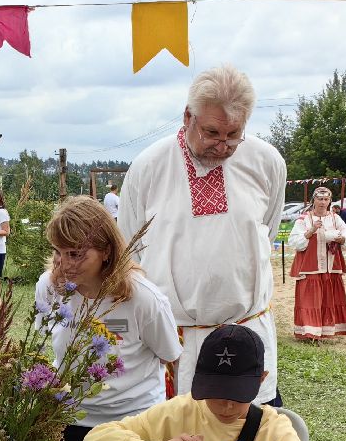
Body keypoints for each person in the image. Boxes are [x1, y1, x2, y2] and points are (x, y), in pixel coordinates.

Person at [118, 64, 287, 404]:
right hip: (174, 339)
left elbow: (265, 233)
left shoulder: (267, 162)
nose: (222, 146)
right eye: (212, 133)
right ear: (187, 117)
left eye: (233, 135)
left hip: (246, 333)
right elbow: (129, 251)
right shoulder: (149, 166)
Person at [84, 325, 333, 441]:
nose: (226, 405)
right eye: (215, 394)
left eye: (237, 396)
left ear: (261, 380)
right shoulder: (178, 411)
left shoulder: (274, 429)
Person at [36, 195, 181, 441]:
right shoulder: (49, 287)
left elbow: (170, 357)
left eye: (76, 254)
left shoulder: (143, 298)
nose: (65, 264)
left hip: (134, 426)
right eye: (58, 252)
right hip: (71, 420)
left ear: (106, 251)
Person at [287, 186, 346, 342]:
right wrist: (311, 231)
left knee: (328, 298)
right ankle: (310, 332)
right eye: (320, 199)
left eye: (326, 199)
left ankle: (324, 330)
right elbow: (295, 242)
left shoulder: (335, 218)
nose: (323, 202)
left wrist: (341, 239)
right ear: (313, 200)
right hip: (310, 267)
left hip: (331, 266)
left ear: (330, 201)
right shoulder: (304, 219)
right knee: (310, 299)